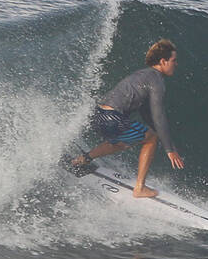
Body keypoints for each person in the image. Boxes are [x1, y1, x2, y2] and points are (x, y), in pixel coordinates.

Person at [66, 39, 184, 198]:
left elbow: (145, 112)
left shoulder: (142, 75)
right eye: (173, 60)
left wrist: (166, 141)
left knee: (122, 141)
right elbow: (158, 115)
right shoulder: (156, 80)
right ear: (163, 61)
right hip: (112, 117)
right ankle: (140, 188)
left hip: (97, 115)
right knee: (150, 139)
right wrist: (170, 150)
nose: (176, 64)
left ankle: (82, 160)